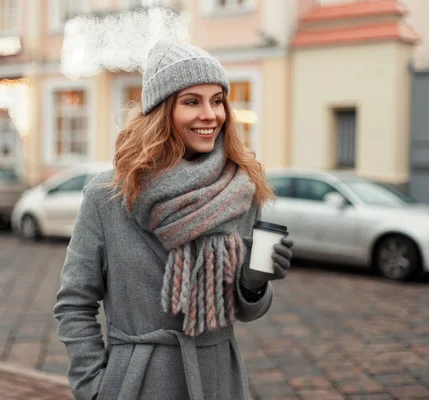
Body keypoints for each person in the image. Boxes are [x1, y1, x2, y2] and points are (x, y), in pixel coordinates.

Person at [54, 40, 294, 400]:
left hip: (217, 383)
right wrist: (94, 388)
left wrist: (254, 283)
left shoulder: (241, 190)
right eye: (192, 101)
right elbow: (74, 303)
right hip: (136, 383)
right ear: (162, 111)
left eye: (217, 100)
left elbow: (246, 311)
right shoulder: (108, 195)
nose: (210, 114)